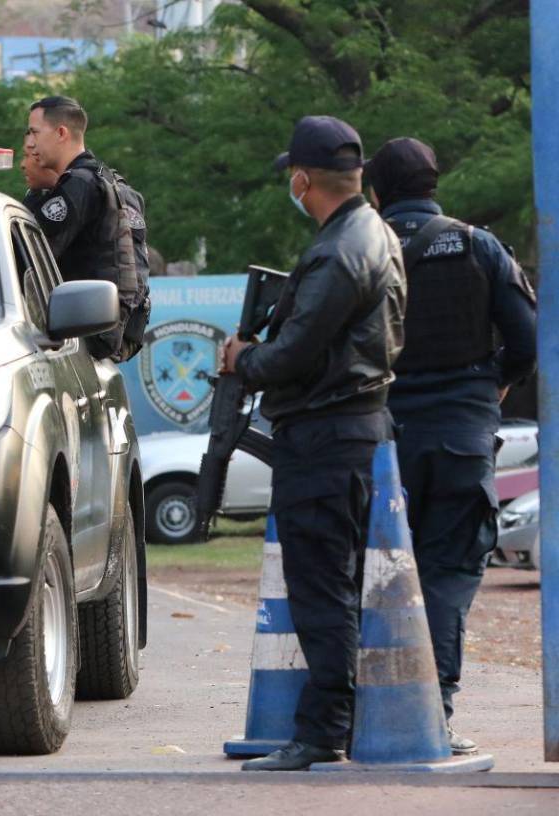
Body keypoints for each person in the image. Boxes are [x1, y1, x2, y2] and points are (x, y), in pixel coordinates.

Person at [221, 116, 407, 771]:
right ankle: (336, 722)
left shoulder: (337, 250)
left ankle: (323, 730)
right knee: (335, 583)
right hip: (352, 432)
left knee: (320, 588)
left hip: (325, 439)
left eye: (291, 179)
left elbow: (294, 354)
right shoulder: (375, 232)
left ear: (303, 179)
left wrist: (245, 357)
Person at [366, 137, 538, 755]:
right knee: (446, 576)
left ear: (375, 193)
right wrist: (487, 384)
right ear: (436, 185)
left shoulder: (362, 248)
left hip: (383, 443)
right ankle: (430, 715)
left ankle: (363, 714)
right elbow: (526, 341)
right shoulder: (478, 246)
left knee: (373, 576)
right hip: (463, 440)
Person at [22, 96, 146, 360]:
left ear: (61, 133)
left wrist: (35, 195)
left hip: (85, 337)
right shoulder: (115, 184)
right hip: (111, 336)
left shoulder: (79, 185)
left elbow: (26, 257)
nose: (30, 144)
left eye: (34, 133)